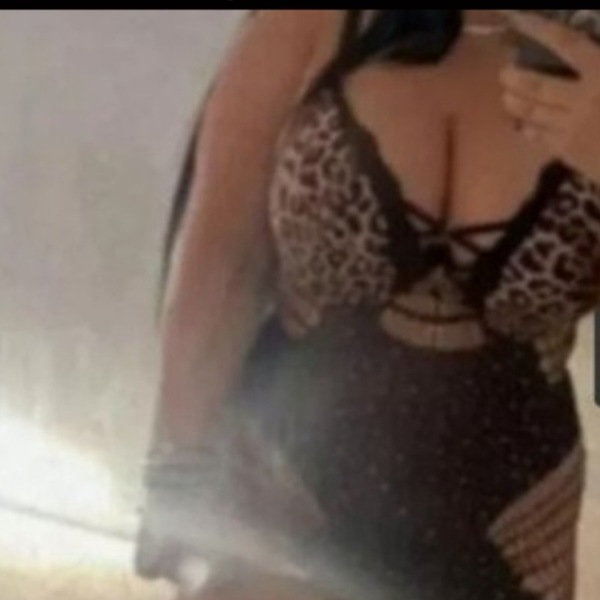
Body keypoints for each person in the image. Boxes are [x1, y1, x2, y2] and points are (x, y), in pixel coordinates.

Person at [135, 10, 600, 600]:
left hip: (515, 529)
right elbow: (225, 256)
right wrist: (177, 467)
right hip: (278, 495)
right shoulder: (319, 21)